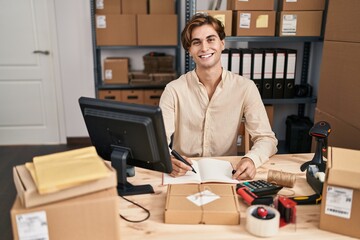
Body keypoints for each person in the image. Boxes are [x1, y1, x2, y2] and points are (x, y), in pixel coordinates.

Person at [159, 13, 278, 180]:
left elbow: (267, 139)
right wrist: (167, 160)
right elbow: (159, 140)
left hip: (227, 174)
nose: (204, 48)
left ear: (222, 43)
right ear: (189, 50)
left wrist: (251, 159)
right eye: (196, 42)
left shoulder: (245, 88)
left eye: (210, 39)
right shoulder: (173, 90)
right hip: (184, 175)